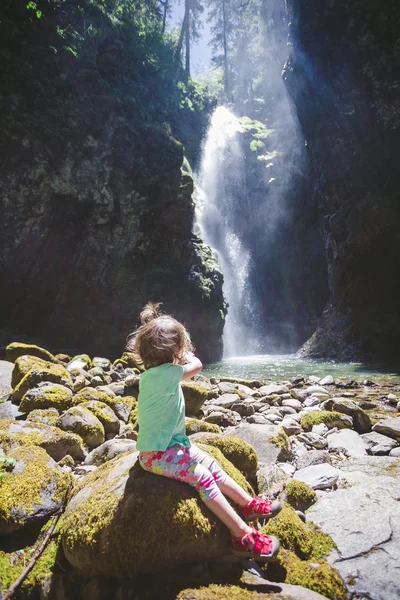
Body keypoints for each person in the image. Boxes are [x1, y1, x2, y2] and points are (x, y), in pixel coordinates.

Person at [126, 302, 281, 561]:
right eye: (180, 347)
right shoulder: (167, 374)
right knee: (203, 478)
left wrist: (176, 349)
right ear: (175, 351)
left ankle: (247, 504)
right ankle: (240, 535)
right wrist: (183, 352)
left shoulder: (153, 374)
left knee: (212, 464)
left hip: (174, 444)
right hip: (156, 454)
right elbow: (197, 366)